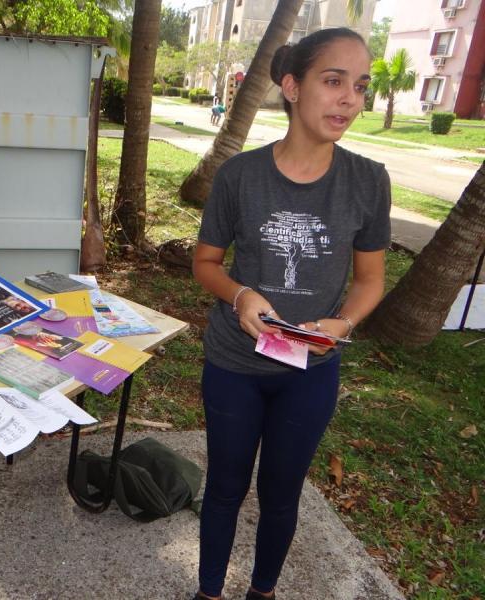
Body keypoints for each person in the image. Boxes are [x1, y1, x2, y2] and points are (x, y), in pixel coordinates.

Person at [191, 28, 391, 600]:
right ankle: (207, 592)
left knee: (282, 494)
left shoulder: (367, 181)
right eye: (333, 81)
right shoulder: (240, 176)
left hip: (311, 369)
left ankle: (263, 592)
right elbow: (206, 262)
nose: (350, 99)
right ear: (292, 86)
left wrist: (344, 323)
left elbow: (370, 280)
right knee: (226, 489)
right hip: (234, 364)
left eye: (361, 86)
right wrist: (239, 295)